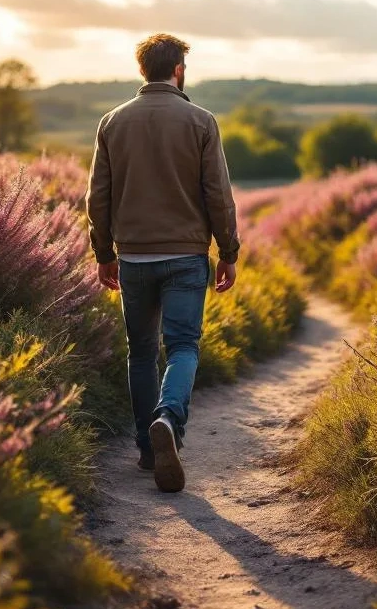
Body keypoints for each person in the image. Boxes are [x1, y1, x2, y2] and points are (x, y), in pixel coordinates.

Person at [85, 33, 240, 494]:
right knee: (184, 347)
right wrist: (228, 252)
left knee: (141, 353)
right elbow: (218, 195)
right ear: (178, 70)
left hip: (132, 258)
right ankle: (168, 419)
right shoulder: (201, 121)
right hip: (186, 258)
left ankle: (149, 451)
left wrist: (104, 254)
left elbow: (97, 198)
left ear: (141, 71)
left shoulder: (111, 123)